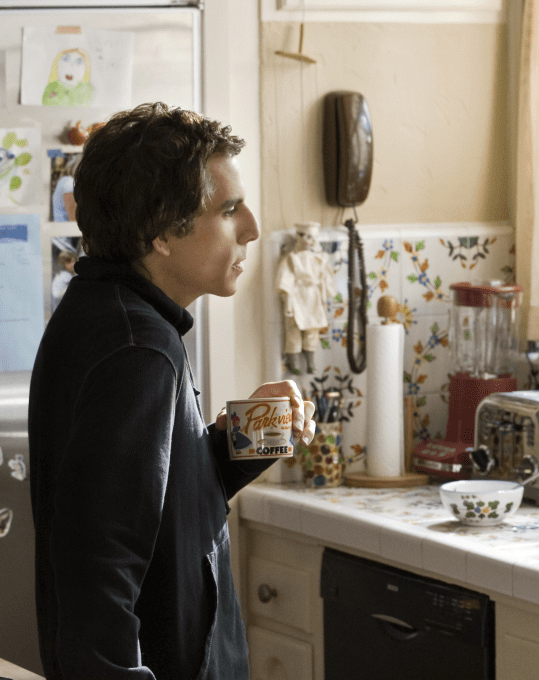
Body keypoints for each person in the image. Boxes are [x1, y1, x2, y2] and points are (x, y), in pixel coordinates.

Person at [29, 102, 317, 680]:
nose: (252, 227)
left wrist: (243, 441)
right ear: (160, 232)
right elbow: (99, 568)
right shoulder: (139, 348)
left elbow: (151, 508)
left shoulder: (107, 314)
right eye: (228, 210)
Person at [276, 221, 338, 374]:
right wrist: (287, 298)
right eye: (305, 236)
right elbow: (286, 279)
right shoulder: (292, 258)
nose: (308, 241)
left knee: (312, 329)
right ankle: (293, 360)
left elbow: (325, 278)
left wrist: (324, 296)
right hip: (297, 296)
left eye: (312, 238)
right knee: (293, 329)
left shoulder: (320, 258)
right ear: (298, 236)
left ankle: (310, 360)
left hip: (313, 297)